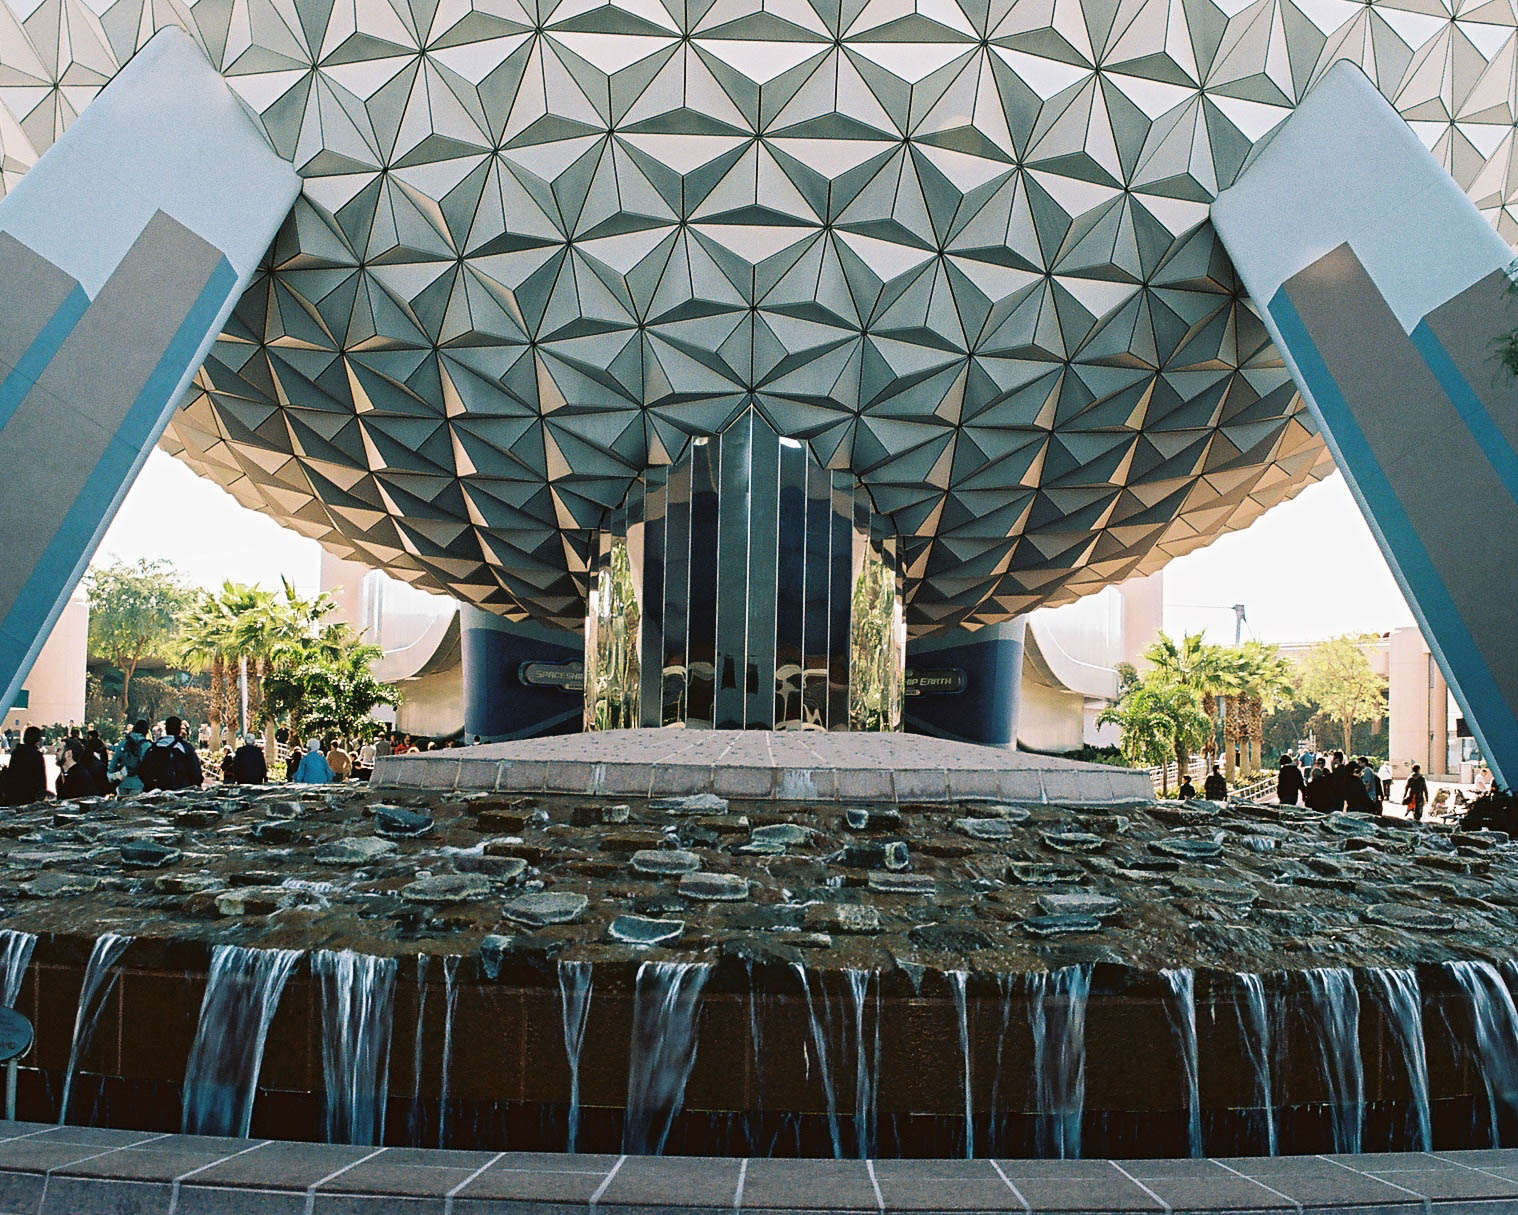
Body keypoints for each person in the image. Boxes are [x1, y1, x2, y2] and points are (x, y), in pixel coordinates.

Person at [138, 715, 204, 791]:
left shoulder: (154, 747)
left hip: (157, 792)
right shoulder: (185, 747)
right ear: (179, 729)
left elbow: (142, 771)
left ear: (166, 729)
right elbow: (195, 771)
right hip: (181, 791)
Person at [0, 725, 48, 805]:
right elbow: (41, 778)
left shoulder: (16, 752)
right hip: (30, 797)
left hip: (13, 794)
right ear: (37, 739)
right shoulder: (37, 755)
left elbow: (11, 773)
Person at [110, 720, 153, 794]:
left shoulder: (123, 743)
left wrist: (111, 777)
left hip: (123, 782)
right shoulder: (147, 746)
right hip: (139, 784)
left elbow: (113, 763)